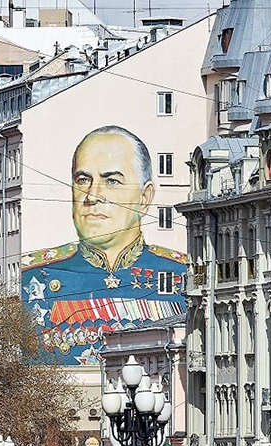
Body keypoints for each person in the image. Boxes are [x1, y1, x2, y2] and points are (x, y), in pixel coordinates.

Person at [19, 126, 189, 366]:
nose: (92, 195)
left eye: (112, 181)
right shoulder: (36, 275)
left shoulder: (180, 272)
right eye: (83, 180)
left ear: (144, 197)